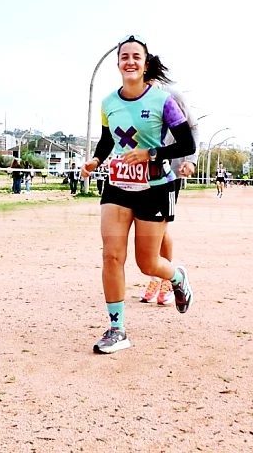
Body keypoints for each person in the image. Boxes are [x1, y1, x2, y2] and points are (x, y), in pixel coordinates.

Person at [81, 35, 195, 354]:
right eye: (124, 57)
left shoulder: (162, 101)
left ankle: (176, 276)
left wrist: (152, 154)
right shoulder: (108, 103)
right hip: (118, 186)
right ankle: (117, 329)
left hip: (156, 188)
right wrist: (96, 159)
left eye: (136, 57)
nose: (129, 61)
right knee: (112, 255)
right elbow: (108, 141)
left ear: (145, 64)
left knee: (148, 263)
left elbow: (187, 145)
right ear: (118, 63)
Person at [140, 77, 199, 307]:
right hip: (139, 173)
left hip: (168, 172)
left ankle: (165, 277)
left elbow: (193, 128)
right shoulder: (132, 96)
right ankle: (161, 273)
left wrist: (191, 160)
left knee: (161, 227)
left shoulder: (172, 96)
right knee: (148, 229)